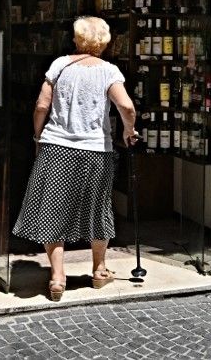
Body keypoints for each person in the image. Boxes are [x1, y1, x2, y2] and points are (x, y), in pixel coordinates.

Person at [12, 16, 138, 301]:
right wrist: (129, 130)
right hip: (96, 151)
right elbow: (126, 106)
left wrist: (37, 136)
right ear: (104, 41)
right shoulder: (109, 71)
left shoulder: (60, 65)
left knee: (52, 210)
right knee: (98, 209)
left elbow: (41, 105)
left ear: (77, 39)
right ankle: (99, 270)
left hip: (56, 148)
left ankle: (58, 277)